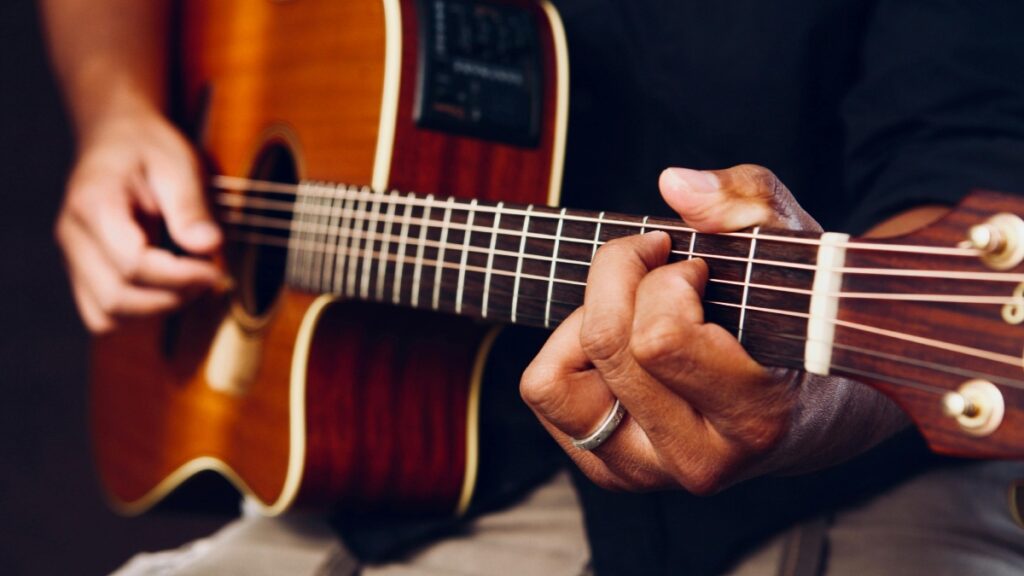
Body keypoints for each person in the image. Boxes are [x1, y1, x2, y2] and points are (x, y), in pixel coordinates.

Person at [41, 0, 1024, 574]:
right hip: (380, 476)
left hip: (830, 485)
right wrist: (116, 113)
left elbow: (968, 179)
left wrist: (812, 401)